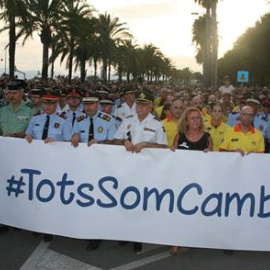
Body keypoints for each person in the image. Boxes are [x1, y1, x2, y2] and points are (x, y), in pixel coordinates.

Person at [113, 88, 168, 253]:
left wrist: (146, 144)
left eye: (144, 105)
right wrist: (124, 142)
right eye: (138, 104)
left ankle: (138, 236)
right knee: (125, 201)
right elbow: (115, 140)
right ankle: (125, 234)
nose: (139, 107)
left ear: (151, 105)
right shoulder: (128, 120)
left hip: (147, 171)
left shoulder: (157, 124)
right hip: (127, 169)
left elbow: (164, 147)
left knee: (141, 204)